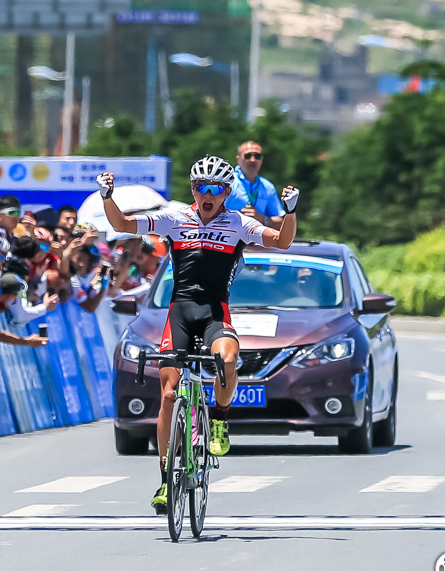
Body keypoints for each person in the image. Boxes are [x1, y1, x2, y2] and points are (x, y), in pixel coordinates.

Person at [98, 155, 299, 515]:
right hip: (180, 312)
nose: (208, 194)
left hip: (214, 312)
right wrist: (107, 197)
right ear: (193, 189)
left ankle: (219, 419)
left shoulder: (238, 222)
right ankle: (164, 481)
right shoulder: (174, 218)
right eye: (201, 188)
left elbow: (282, 242)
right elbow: (124, 224)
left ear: (226, 193)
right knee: (169, 395)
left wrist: (289, 211)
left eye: (216, 189)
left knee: (228, 359)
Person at [227, 141, 286, 227]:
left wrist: (263, 219)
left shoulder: (268, 187)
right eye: (248, 155)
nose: (253, 159)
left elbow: (281, 222)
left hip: (255, 239)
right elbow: (209, 214)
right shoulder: (227, 182)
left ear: (261, 160)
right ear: (238, 159)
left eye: (257, 156)